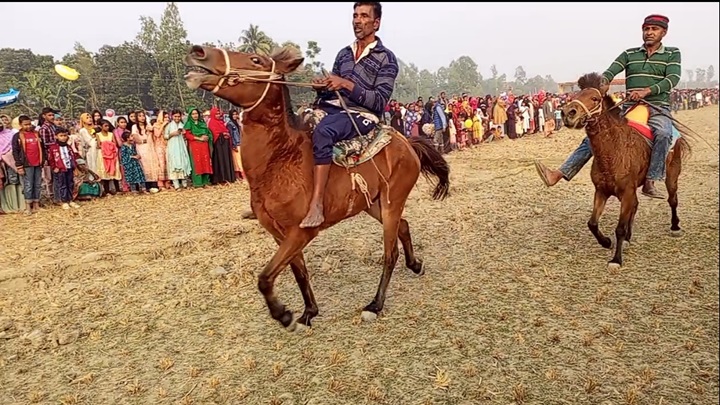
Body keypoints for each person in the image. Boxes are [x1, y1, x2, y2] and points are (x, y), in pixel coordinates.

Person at [535, 14, 681, 199]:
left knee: (664, 134)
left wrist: (646, 91)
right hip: (630, 107)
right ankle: (559, 174)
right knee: (596, 134)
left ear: (664, 32)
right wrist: (602, 84)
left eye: (654, 29)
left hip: (657, 107)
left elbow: (672, 79)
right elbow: (611, 71)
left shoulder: (672, 53)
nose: (649, 32)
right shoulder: (629, 54)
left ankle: (651, 180)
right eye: (646, 29)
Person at [299, 1, 399, 228]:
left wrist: (345, 83)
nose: (357, 20)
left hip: (362, 114)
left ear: (376, 23)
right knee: (296, 124)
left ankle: (317, 205)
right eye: (355, 15)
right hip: (333, 108)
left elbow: (380, 101)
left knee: (324, 131)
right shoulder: (343, 54)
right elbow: (333, 88)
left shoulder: (387, 58)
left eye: (364, 16)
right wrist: (322, 86)